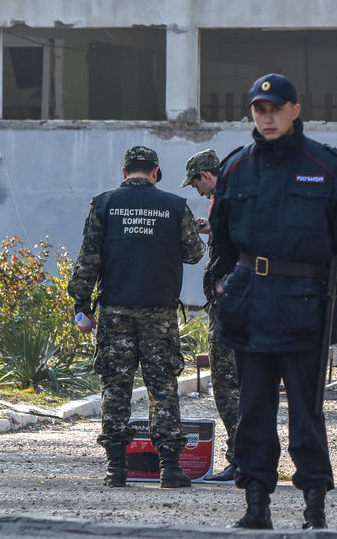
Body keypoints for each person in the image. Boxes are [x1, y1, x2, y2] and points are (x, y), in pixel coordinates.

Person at [206, 73, 337, 530]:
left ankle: (314, 507)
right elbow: (221, 239)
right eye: (259, 110)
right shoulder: (236, 167)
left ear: (295, 110)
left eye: (276, 108)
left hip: (304, 309)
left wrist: (328, 308)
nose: (267, 117)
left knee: (306, 415)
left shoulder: (329, 167)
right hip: (250, 309)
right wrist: (224, 285)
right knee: (253, 413)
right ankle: (256, 506)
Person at [67, 146, 205, 488]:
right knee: (163, 385)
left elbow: (88, 259)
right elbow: (193, 253)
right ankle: (170, 468)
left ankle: (116, 468)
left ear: (124, 171)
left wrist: (81, 305)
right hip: (159, 311)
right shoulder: (174, 206)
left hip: (115, 310)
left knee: (115, 386)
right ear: (155, 172)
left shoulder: (104, 204)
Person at [181, 148, 240, 482]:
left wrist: (227, 282)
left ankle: (241, 459)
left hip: (229, 306)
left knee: (226, 382)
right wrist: (211, 229)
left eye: (196, 185)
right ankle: (249, 457)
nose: (198, 192)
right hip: (236, 302)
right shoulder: (234, 198)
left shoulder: (227, 199)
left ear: (204, 175)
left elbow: (242, 247)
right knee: (239, 382)